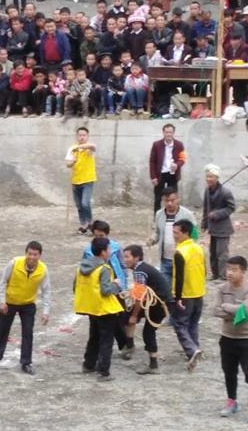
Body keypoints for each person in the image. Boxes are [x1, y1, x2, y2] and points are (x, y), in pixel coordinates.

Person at [0, 240, 51, 374]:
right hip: (9, 302)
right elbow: (3, 282)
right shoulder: (14, 263)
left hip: (28, 304)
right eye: (30, 254)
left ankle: (26, 362)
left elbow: (46, 291)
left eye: (35, 254)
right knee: (2, 330)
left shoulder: (43, 269)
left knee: (28, 333)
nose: (32, 257)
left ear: (40, 255)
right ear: (26, 253)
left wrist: (46, 311)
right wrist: (2, 301)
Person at [213, 256, 248, 424]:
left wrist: (227, 307)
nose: (229, 273)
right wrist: (236, 312)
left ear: (243, 271)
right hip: (227, 337)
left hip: (246, 338)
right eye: (228, 269)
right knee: (229, 372)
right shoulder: (221, 288)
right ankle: (231, 401)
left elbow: (245, 311)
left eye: (234, 270)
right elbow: (215, 311)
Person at [75, 236, 124, 381]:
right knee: (106, 341)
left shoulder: (81, 268)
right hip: (104, 309)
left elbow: (75, 286)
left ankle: (88, 364)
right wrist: (116, 284)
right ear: (103, 252)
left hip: (91, 307)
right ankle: (103, 372)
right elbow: (106, 290)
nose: (109, 251)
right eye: (108, 249)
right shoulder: (104, 269)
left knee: (94, 337)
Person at [123, 244, 171, 374]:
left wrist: (135, 316)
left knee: (147, 332)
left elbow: (140, 297)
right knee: (127, 316)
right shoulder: (143, 267)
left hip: (157, 305)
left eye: (127, 257)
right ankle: (130, 345)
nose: (125, 260)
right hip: (158, 302)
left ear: (136, 258)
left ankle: (153, 364)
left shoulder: (139, 272)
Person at [170, 219, 206, 371]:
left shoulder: (180, 252)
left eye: (176, 232)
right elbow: (204, 270)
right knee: (193, 323)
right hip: (199, 292)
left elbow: (179, 277)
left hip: (186, 293)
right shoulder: (199, 248)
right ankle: (195, 348)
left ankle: (192, 350)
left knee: (180, 324)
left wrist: (178, 297)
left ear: (185, 233)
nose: (174, 235)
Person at [150, 187, 196, 282]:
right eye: (166, 201)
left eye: (172, 200)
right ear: (163, 200)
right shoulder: (159, 214)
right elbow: (157, 233)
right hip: (165, 259)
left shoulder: (187, 215)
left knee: (180, 285)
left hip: (182, 258)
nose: (169, 203)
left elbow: (194, 235)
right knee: (166, 286)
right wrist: (152, 239)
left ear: (178, 199)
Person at [202, 164, 235, 281]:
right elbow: (206, 209)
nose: (208, 179)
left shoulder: (225, 192)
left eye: (211, 177)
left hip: (223, 228)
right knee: (213, 253)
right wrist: (204, 224)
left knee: (222, 253)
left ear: (217, 178)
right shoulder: (207, 191)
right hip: (212, 228)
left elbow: (231, 208)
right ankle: (215, 274)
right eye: (207, 176)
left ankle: (222, 276)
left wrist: (217, 214)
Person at [65, 126, 96, 234]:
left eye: (84, 135)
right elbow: (68, 164)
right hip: (75, 180)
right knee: (79, 205)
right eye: (79, 135)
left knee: (85, 203)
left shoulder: (89, 148)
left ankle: (91, 223)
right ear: (77, 136)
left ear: (87, 136)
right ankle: (83, 224)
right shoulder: (72, 149)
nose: (81, 137)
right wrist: (72, 161)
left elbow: (93, 146)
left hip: (88, 180)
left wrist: (79, 147)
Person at [148, 123, 185, 212]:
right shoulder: (156, 145)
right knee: (158, 198)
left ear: (173, 133)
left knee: (173, 198)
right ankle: (157, 217)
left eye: (170, 132)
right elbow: (152, 161)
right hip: (160, 174)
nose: (168, 134)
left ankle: (173, 216)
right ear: (163, 133)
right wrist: (153, 177)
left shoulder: (179, 145)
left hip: (173, 174)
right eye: (166, 132)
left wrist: (177, 165)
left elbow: (182, 159)